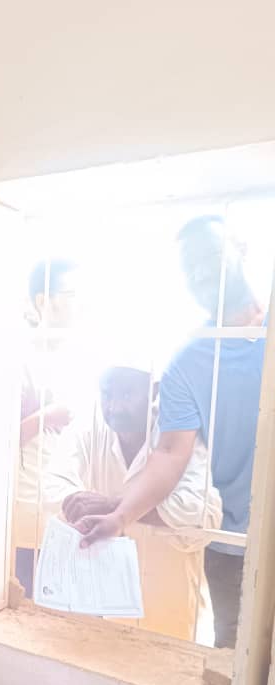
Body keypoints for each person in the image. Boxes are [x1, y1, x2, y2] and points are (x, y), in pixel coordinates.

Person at [70, 216, 266, 648]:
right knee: (232, 667)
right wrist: (120, 515)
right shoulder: (186, 363)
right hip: (233, 548)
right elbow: (170, 454)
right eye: (188, 267)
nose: (200, 273)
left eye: (209, 256)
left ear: (241, 246)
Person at [53, 353, 222, 640]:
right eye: (107, 394)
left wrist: (113, 508)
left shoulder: (180, 436)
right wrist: (80, 505)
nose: (114, 406)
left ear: (153, 392)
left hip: (173, 604)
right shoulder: (90, 432)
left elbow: (202, 513)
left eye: (127, 394)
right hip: (109, 604)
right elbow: (54, 484)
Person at [15, 257, 82, 596]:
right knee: (32, 603)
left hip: (72, 503)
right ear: (43, 301)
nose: (79, 303)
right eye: (72, 294)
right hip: (29, 505)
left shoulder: (79, 356)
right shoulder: (19, 356)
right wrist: (47, 416)